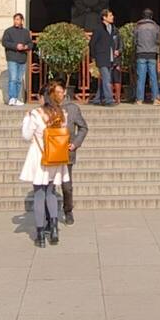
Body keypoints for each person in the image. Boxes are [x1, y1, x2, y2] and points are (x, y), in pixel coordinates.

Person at [23, 84, 73, 247]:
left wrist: (26, 118)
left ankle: (40, 235)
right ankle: (54, 230)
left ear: (43, 97)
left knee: (39, 194)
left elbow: (26, 135)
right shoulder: (62, 113)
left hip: (40, 156)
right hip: (56, 156)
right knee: (51, 192)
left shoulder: (35, 114)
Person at [60, 92, 87, 225]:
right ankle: (49, 215)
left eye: (60, 91)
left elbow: (83, 128)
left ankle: (68, 210)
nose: (57, 95)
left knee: (66, 186)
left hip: (67, 152)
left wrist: (75, 143)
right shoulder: (47, 108)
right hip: (49, 152)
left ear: (65, 92)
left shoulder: (72, 108)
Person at [89, 9, 120, 106]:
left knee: (104, 80)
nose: (112, 17)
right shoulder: (98, 29)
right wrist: (94, 56)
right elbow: (92, 44)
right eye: (110, 15)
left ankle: (97, 99)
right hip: (101, 57)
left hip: (110, 57)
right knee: (107, 79)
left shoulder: (112, 28)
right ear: (104, 17)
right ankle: (109, 100)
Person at [2, 13, 34, 106]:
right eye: (15, 19)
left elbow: (31, 44)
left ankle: (16, 98)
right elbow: (4, 42)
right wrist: (16, 46)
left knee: (19, 80)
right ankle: (12, 98)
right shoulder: (8, 31)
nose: (16, 21)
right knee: (13, 78)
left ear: (22, 21)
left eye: (18, 19)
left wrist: (26, 46)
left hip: (22, 58)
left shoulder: (25, 32)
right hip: (12, 57)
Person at [134, 9, 160, 105]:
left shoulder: (138, 26)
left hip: (141, 53)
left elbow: (135, 40)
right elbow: (158, 40)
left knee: (141, 77)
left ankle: (139, 99)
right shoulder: (155, 27)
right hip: (152, 53)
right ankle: (155, 99)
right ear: (151, 16)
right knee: (153, 77)